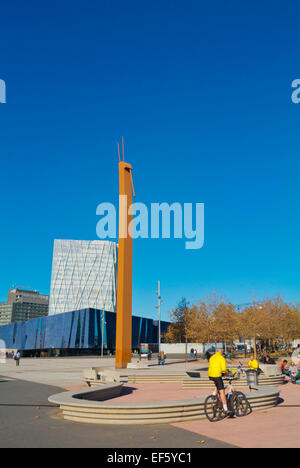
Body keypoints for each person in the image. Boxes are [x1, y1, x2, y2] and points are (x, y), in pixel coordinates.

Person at [208, 346, 230, 415]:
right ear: (221, 352)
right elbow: (223, 369)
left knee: (217, 384)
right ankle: (226, 409)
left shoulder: (212, 357)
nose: (222, 353)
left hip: (211, 375)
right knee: (222, 391)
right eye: (222, 352)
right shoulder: (221, 358)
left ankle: (214, 394)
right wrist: (227, 373)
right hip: (217, 375)